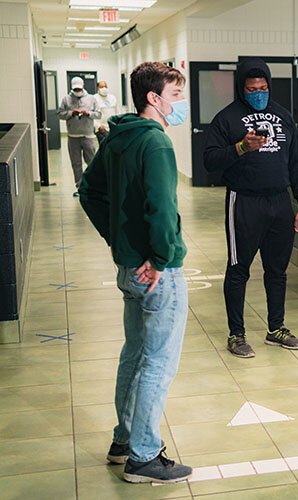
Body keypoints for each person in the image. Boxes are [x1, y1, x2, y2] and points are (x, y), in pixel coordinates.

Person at [78, 62, 192, 484]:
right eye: (176, 96)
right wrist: (160, 258)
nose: (180, 104)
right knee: (158, 363)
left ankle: (123, 441)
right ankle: (144, 456)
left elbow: (89, 191)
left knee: (135, 355)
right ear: (154, 99)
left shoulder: (118, 137)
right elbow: (161, 211)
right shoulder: (157, 145)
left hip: (128, 267)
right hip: (158, 273)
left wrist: (119, 241)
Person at [203, 58, 298, 359]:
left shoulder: (283, 116)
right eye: (252, 89)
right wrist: (241, 147)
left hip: (280, 201)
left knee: (277, 271)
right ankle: (236, 334)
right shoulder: (227, 119)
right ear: (242, 89)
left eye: (263, 88)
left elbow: (295, 164)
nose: (258, 93)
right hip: (244, 201)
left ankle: (276, 329)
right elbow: (210, 161)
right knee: (239, 269)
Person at [57, 76, 100, 196]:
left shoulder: (92, 99)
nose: (77, 91)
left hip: (88, 136)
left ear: (83, 87)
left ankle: (93, 186)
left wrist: (89, 113)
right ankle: (80, 187)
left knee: (91, 162)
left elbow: (98, 114)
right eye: (75, 89)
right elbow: (60, 114)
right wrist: (71, 113)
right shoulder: (66, 99)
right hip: (73, 136)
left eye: (79, 89)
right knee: (76, 163)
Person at [94, 80, 119, 144]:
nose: (104, 88)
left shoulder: (112, 97)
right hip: (101, 129)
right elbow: (92, 115)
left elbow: (117, 112)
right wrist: (98, 126)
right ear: (98, 88)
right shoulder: (94, 98)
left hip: (112, 127)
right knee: (104, 148)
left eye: (105, 86)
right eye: (101, 87)